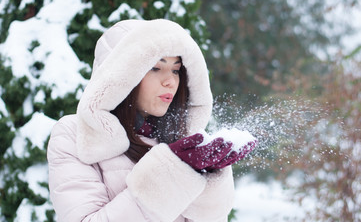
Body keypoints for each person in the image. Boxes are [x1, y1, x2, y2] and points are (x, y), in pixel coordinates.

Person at [47, 19, 256, 222]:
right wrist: (173, 172)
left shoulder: (183, 142)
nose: (170, 81)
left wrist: (208, 178)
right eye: (156, 68)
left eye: (176, 70)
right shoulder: (74, 135)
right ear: (120, 75)